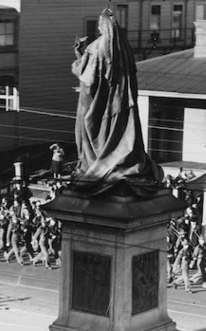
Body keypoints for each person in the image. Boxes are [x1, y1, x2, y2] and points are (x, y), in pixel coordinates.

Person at [70, 8, 163, 197]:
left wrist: (79, 56)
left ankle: (97, 165)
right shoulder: (123, 47)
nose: (97, 27)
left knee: (91, 134)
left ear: (102, 26)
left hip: (99, 106)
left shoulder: (96, 48)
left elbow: (87, 79)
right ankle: (113, 160)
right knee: (116, 136)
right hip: (120, 105)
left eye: (98, 24)